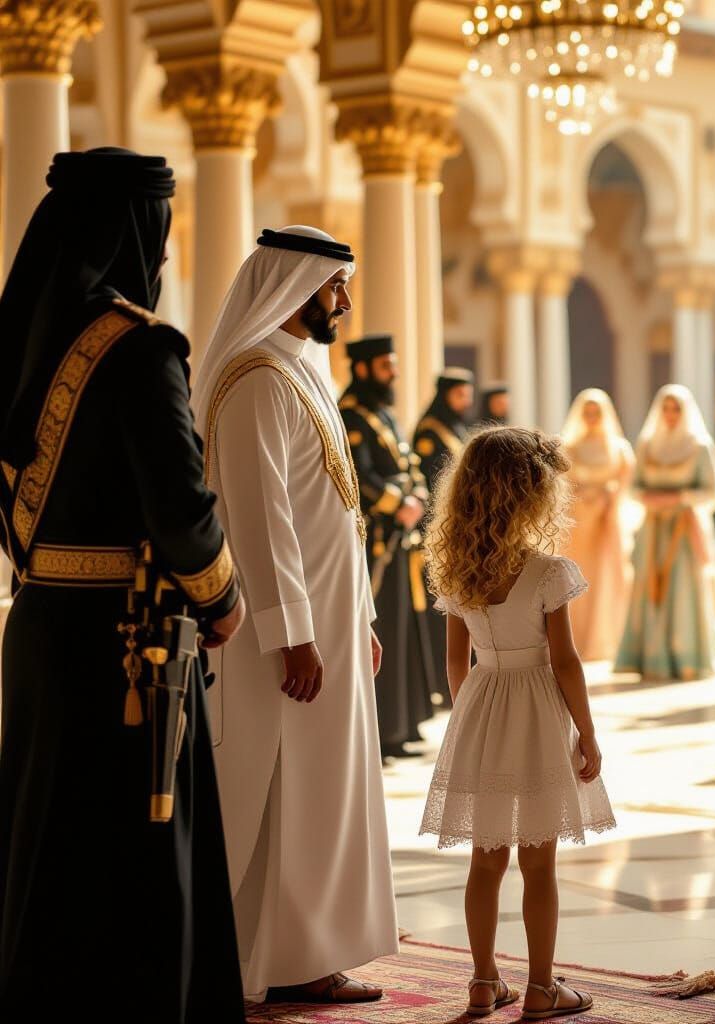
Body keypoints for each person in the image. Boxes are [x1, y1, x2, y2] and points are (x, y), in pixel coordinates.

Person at [0, 149, 246, 1023]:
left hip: (37, 627)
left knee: (46, 832)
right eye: (161, 230)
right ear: (136, 231)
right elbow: (181, 506)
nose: (169, 254)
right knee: (130, 843)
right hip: (129, 646)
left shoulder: (22, 343)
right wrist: (223, 601)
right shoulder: (141, 349)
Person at [192, 226, 398, 1003]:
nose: (343, 300)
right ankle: (273, 959)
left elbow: (338, 514)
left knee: (321, 789)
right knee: (287, 789)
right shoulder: (256, 382)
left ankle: (303, 949)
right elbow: (260, 519)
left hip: (329, 626)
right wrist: (296, 637)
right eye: (334, 286)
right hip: (288, 641)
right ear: (294, 286)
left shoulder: (299, 372)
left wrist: (364, 618)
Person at [421, 427, 615, 1020]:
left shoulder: (456, 572)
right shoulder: (548, 573)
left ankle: (482, 981)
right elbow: (565, 663)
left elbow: (457, 663)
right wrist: (586, 731)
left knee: (486, 859)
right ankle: (540, 988)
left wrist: (473, 719)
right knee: (539, 862)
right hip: (536, 716)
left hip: (482, 708)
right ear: (532, 497)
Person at [340, 334, 435, 758]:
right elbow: (357, 477)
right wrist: (399, 504)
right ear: (362, 369)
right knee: (383, 631)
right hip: (374, 542)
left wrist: (417, 498)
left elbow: (409, 463)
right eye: (385, 366)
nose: (393, 373)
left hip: (400, 540)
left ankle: (401, 727)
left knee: (401, 629)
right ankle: (381, 732)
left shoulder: (383, 414)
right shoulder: (350, 415)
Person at [614, 385, 715, 680]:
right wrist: (649, 498)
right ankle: (651, 659)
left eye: (676, 408)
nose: (670, 415)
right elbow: (633, 487)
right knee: (650, 590)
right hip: (653, 531)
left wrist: (680, 499)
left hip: (684, 529)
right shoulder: (648, 445)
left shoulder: (700, 446)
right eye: (666, 408)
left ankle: (689, 659)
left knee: (683, 590)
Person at [414, 367, 476, 704]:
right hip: (445, 527)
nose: (465, 400)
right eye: (459, 394)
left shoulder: (455, 427)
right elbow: (432, 480)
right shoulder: (430, 431)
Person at [560, 389, 635, 662]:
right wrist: (583, 496)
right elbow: (562, 487)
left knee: (605, 580)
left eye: (596, 413)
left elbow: (626, 485)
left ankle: (603, 641)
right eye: (587, 413)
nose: (591, 418)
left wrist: (608, 496)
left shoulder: (619, 449)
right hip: (578, 526)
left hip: (606, 523)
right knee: (576, 580)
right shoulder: (569, 448)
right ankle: (575, 639)